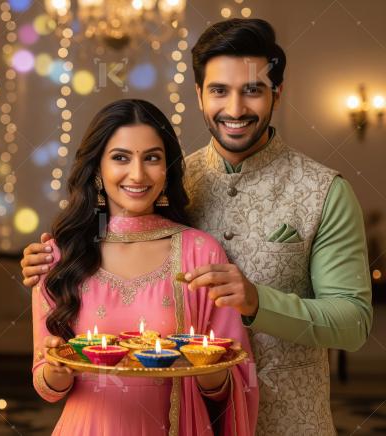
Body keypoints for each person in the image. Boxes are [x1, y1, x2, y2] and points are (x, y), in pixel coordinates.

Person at [23, 19, 372, 435]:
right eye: (220, 90)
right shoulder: (165, 179)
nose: (236, 108)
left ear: (277, 94)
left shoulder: (323, 191)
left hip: (291, 423)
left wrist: (259, 302)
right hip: (184, 421)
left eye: (253, 90)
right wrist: (55, 258)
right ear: (200, 95)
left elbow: (353, 323)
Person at [31, 98, 258, 435]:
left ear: (167, 170)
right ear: (97, 169)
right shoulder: (60, 256)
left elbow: (235, 381)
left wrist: (209, 366)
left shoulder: (199, 252)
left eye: (152, 158)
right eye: (121, 158)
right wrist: (56, 370)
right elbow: (46, 386)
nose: (137, 174)